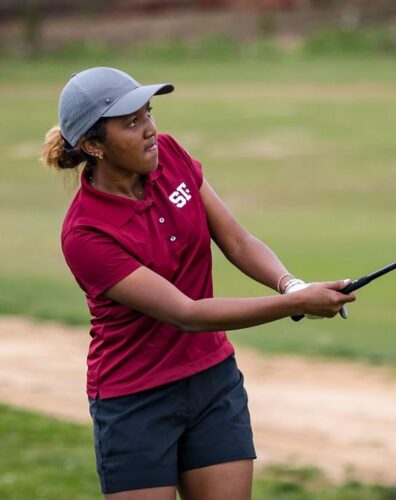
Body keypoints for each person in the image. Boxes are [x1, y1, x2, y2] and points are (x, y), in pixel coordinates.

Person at [41, 67, 356, 500]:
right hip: (135, 399)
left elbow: (238, 240)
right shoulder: (86, 234)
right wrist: (292, 305)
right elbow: (185, 314)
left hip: (212, 382)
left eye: (148, 113)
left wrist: (291, 285)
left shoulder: (169, 154)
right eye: (131, 122)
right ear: (94, 145)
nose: (150, 129)